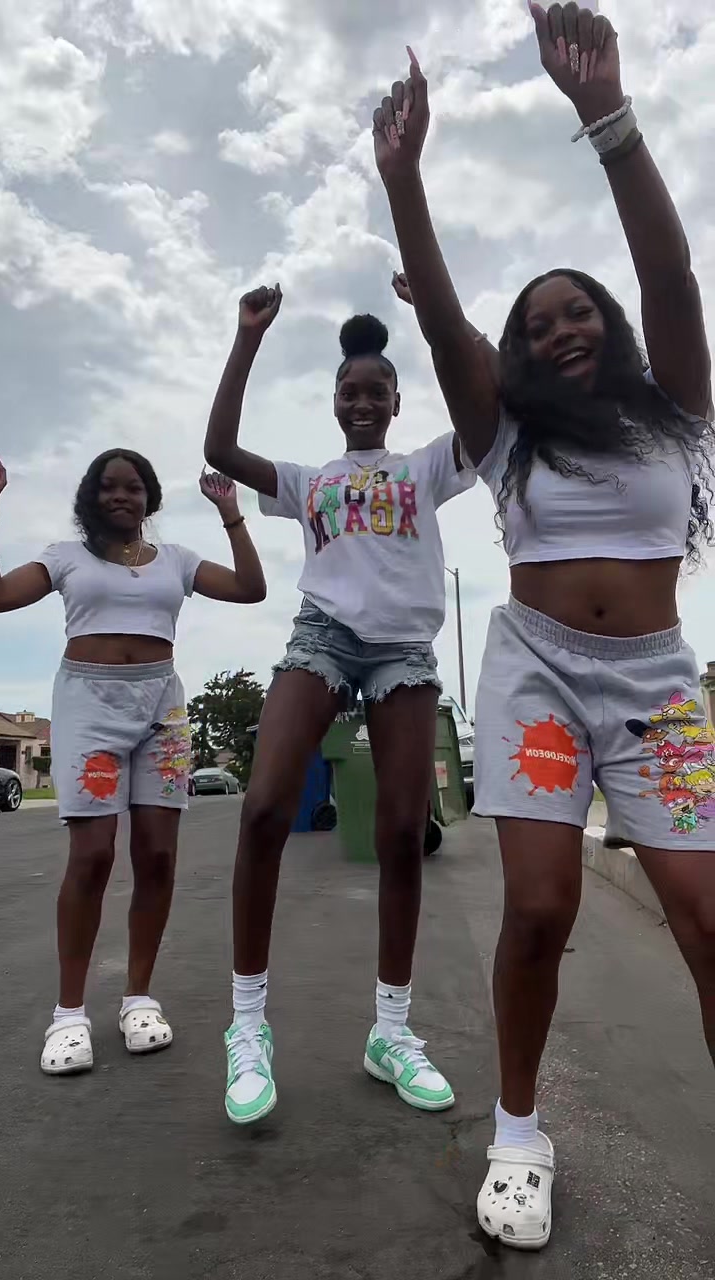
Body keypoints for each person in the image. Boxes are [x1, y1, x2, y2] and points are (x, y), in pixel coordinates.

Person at [374, 5, 714, 1252]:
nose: (563, 327)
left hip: (659, 687)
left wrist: (606, 115)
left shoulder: (678, 406)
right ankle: (519, 1132)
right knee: (539, 906)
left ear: (612, 327)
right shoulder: (503, 433)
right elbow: (442, 319)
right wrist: (405, 181)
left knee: (708, 916)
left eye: (580, 312)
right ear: (517, 358)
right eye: (538, 323)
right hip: (538, 676)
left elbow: (671, 275)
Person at [205, 288, 476, 1125]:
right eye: (349, 391)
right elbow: (220, 448)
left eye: (376, 391)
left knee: (401, 833)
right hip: (323, 635)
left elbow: (487, 411)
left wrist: (435, 318)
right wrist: (247, 339)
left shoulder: (426, 466)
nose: (362, 402)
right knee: (263, 808)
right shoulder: (308, 480)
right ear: (333, 401)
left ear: (397, 401)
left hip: (403, 649)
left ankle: (390, 1032)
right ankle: (247, 1026)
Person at [0, 450, 266, 1074]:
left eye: (135, 487)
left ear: (150, 499)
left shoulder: (177, 560)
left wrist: (231, 514)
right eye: (109, 487)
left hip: (161, 709)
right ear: (91, 496)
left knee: (158, 855)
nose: (122, 496)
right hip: (88, 705)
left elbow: (252, 589)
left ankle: (138, 998)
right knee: (92, 855)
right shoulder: (66, 556)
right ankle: (68, 1014)